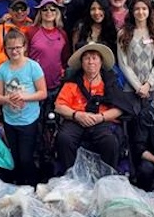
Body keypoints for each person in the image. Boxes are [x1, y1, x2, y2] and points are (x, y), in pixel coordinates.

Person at [53, 43, 129, 172]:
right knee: (64, 138)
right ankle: (71, 176)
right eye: (87, 58)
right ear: (82, 62)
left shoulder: (111, 82)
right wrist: (76, 115)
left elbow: (120, 108)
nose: (90, 61)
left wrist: (101, 117)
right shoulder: (72, 81)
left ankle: (106, 177)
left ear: (101, 61)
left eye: (94, 58)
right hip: (76, 119)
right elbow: (59, 106)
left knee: (110, 141)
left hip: (101, 120)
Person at [0, 28, 47, 185]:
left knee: (26, 157)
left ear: (24, 47)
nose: (14, 51)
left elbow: (42, 93)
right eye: (10, 48)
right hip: (10, 119)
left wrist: (25, 97)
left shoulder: (33, 67)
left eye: (17, 47)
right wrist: (6, 99)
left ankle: (31, 184)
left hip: (28, 119)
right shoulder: (2, 69)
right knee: (15, 156)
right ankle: (18, 182)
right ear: (6, 50)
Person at [117, 0, 154, 113]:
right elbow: (123, 63)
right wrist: (138, 87)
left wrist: (148, 84)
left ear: (149, 11)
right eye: (137, 9)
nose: (140, 12)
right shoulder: (123, 33)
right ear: (132, 11)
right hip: (130, 88)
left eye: (144, 9)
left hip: (152, 86)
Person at [27, 0, 71, 99]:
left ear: (57, 13)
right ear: (40, 13)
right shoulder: (31, 32)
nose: (49, 12)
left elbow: (65, 58)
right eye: (45, 9)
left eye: (52, 9)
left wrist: (63, 71)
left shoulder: (62, 34)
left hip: (55, 84)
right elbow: (25, 55)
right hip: (33, 85)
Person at [0, 0, 35, 69]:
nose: (19, 12)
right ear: (9, 10)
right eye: (16, 9)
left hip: (30, 70)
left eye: (23, 8)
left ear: (28, 11)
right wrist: (12, 61)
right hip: (6, 71)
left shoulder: (34, 29)